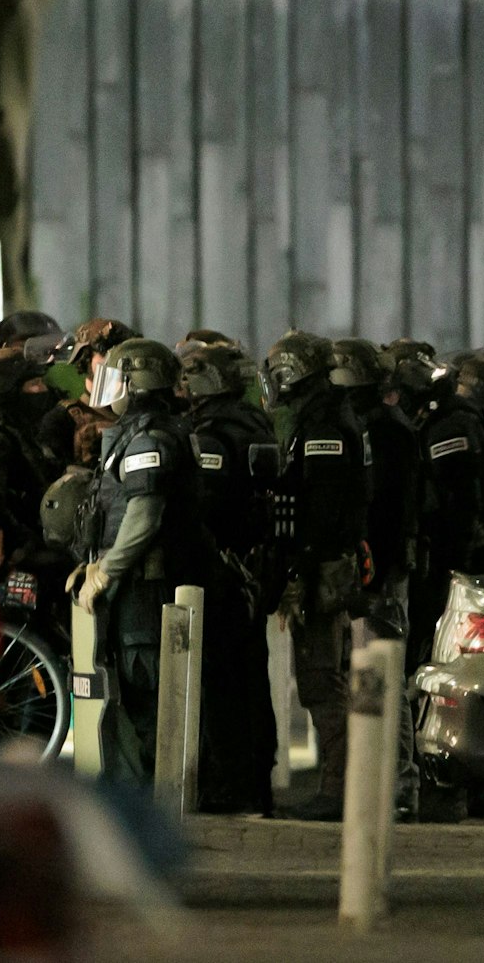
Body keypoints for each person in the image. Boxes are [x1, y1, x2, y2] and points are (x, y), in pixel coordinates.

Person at [72, 337, 208, 785]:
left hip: (145, 590)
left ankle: (155, 802)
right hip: (139, 583)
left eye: (117, 380)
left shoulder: (149, 437)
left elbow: (143, 516)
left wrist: (106, 571)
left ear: (136, 383)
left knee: (146, 692)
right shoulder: (146, 431)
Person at [263, 330, 370, 822]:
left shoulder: (324, 423)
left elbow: (322, 508)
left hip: (323, 567)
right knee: (327, 678)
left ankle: (339, 790)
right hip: (326, 562)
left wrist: (300, 568)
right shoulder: (326, 413)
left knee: (321, 682)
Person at [180, 339, 281, 815]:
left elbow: (205, 506)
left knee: (221, 682)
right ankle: (258, 779)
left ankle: (228, 785)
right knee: (252, 677)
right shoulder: (257, 423)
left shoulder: (213, 436)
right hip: (254, 566)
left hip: (222, 569)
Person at [332, 338, 422, 819]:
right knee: (375, 675)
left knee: (382, 676)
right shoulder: (381, 425)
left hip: (381, 573)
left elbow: (385, 511)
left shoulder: (384, 431)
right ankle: (387, 782)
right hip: (379, 569)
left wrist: (373, 576)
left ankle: (398, 786)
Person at [412, 353, 484, 669]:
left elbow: (462, 500)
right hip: (474, 555)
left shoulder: (453, 425)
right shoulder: (470, 421)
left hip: (459, 560)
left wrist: (454, 563)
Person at [0, 346, 58, 548]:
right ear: (9, 391)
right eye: (34, 384)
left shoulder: (26, 432)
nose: (43, 389)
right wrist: (23, 542)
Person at [37, 317, 136, 471]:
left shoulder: (140, 411)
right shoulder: (62, 421)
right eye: (106, 354)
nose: (116, 362)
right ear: (86, 357)